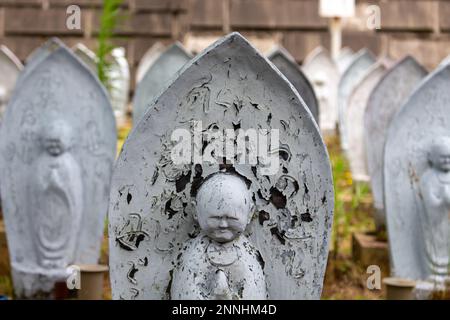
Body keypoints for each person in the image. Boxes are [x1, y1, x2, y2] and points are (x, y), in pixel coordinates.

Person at [170, 172, 267, 300]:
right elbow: (183, 291)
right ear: (195, 211)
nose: (223, 225)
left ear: (249, 213)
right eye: (215, 218)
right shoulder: (193, 254)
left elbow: (256, 292)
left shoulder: (247, 255)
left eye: (232, 219)